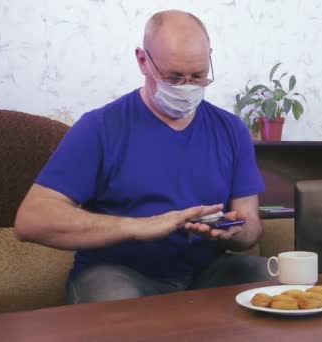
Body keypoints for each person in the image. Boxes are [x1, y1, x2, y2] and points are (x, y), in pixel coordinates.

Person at [14, 10, 272, 304]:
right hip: (118, 274)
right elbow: (32, 220)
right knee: (116, 299)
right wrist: (141, 226)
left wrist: (234, 230)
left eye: (198, 76)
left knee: (279, 278)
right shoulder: (100, 128)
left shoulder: (231, 130)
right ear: (142, 60)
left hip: (207, 274)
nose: (187, 87)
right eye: (173, 78)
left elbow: (250, 226)